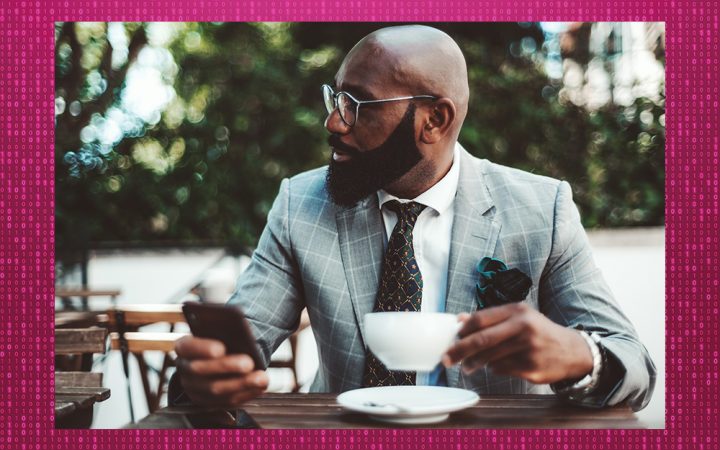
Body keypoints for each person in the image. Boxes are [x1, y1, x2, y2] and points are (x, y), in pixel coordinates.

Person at [171, 25, 656, 411]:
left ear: (435, 120)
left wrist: (579, 358)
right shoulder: (302, 203)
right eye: (334, 98)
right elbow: (240, 346)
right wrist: (208, 377)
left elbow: (636, 371)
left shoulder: (540, 209)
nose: (334, 123)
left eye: (355, 104)